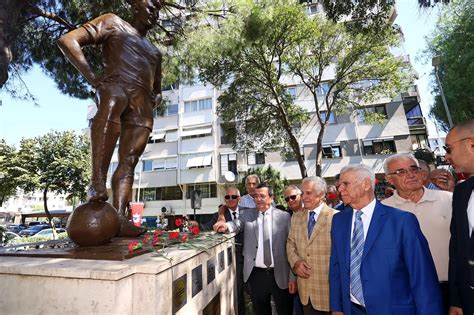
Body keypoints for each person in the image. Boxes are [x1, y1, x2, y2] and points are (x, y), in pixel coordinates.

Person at [58, 0, 162, 236]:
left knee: (130, 160)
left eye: (158, 10)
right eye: (150, 7)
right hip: (116, 88)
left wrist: (153, 99)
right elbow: (68, 40)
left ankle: (121, 218)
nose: (155, 13)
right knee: (112, 100)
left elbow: (157, 87)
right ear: (136, 6)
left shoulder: (155, 52)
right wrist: (94, 78)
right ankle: (97, 181)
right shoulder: (113, 22)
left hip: (142, 104)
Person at [329, 164, 442, 315]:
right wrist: (336, 307)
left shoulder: (401, 221)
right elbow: (336, 266)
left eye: (345, 184)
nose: (340, 189)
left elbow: (422, 276)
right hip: (352, 309)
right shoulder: (339, 220)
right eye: (339, 185)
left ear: (366, 184)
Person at [382, 153, 452, 310]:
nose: (411, 175)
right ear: (389, 179)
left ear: (421, 172)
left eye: (414, 169)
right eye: (401, 172)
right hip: (408, 294)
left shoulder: (448, 199)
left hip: (452, 289)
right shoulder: (382, 211)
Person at [214, 183, 296, 315]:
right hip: (256, 276)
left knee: (284, 311)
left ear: (271, 197)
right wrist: (225, 226)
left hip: (280, 275)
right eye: (256, 196)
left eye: (262, 196)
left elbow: (293, 247)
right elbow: (236, 224)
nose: (258, 199)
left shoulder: (284, 217)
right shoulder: (247, 215)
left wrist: (293, 277)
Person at [287, 176, 337, 315]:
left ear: (321, 194)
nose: (304, 197)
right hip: (305, 294)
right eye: (302, 193)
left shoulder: (336, 217)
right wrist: (296, 262)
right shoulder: (296, 217)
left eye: (308, 193)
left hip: (329, 294)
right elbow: (290, 243)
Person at [193, 186, 246, 315]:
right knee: (237, 293)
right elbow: (207, 227)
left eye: (234, 197)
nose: (231, 199)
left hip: (250, 259)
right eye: (228, 197)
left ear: (239, 198)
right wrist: (196, 226)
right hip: (230, 261)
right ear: (225, 199)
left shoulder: (248, 212)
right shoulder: (218, 215)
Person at [445, 119, 474, 315]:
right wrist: (456, 299)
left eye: (449, 149)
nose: (447, 157)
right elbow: (457, 249)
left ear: (471, 144)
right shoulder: (462, 191)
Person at [283, 184, 304, 315]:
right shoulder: (287, 217)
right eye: (287, 199)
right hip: (294, 272)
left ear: (301, 196)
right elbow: (290, 246)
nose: (290, 200)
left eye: (293, 197)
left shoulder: (311, 214)